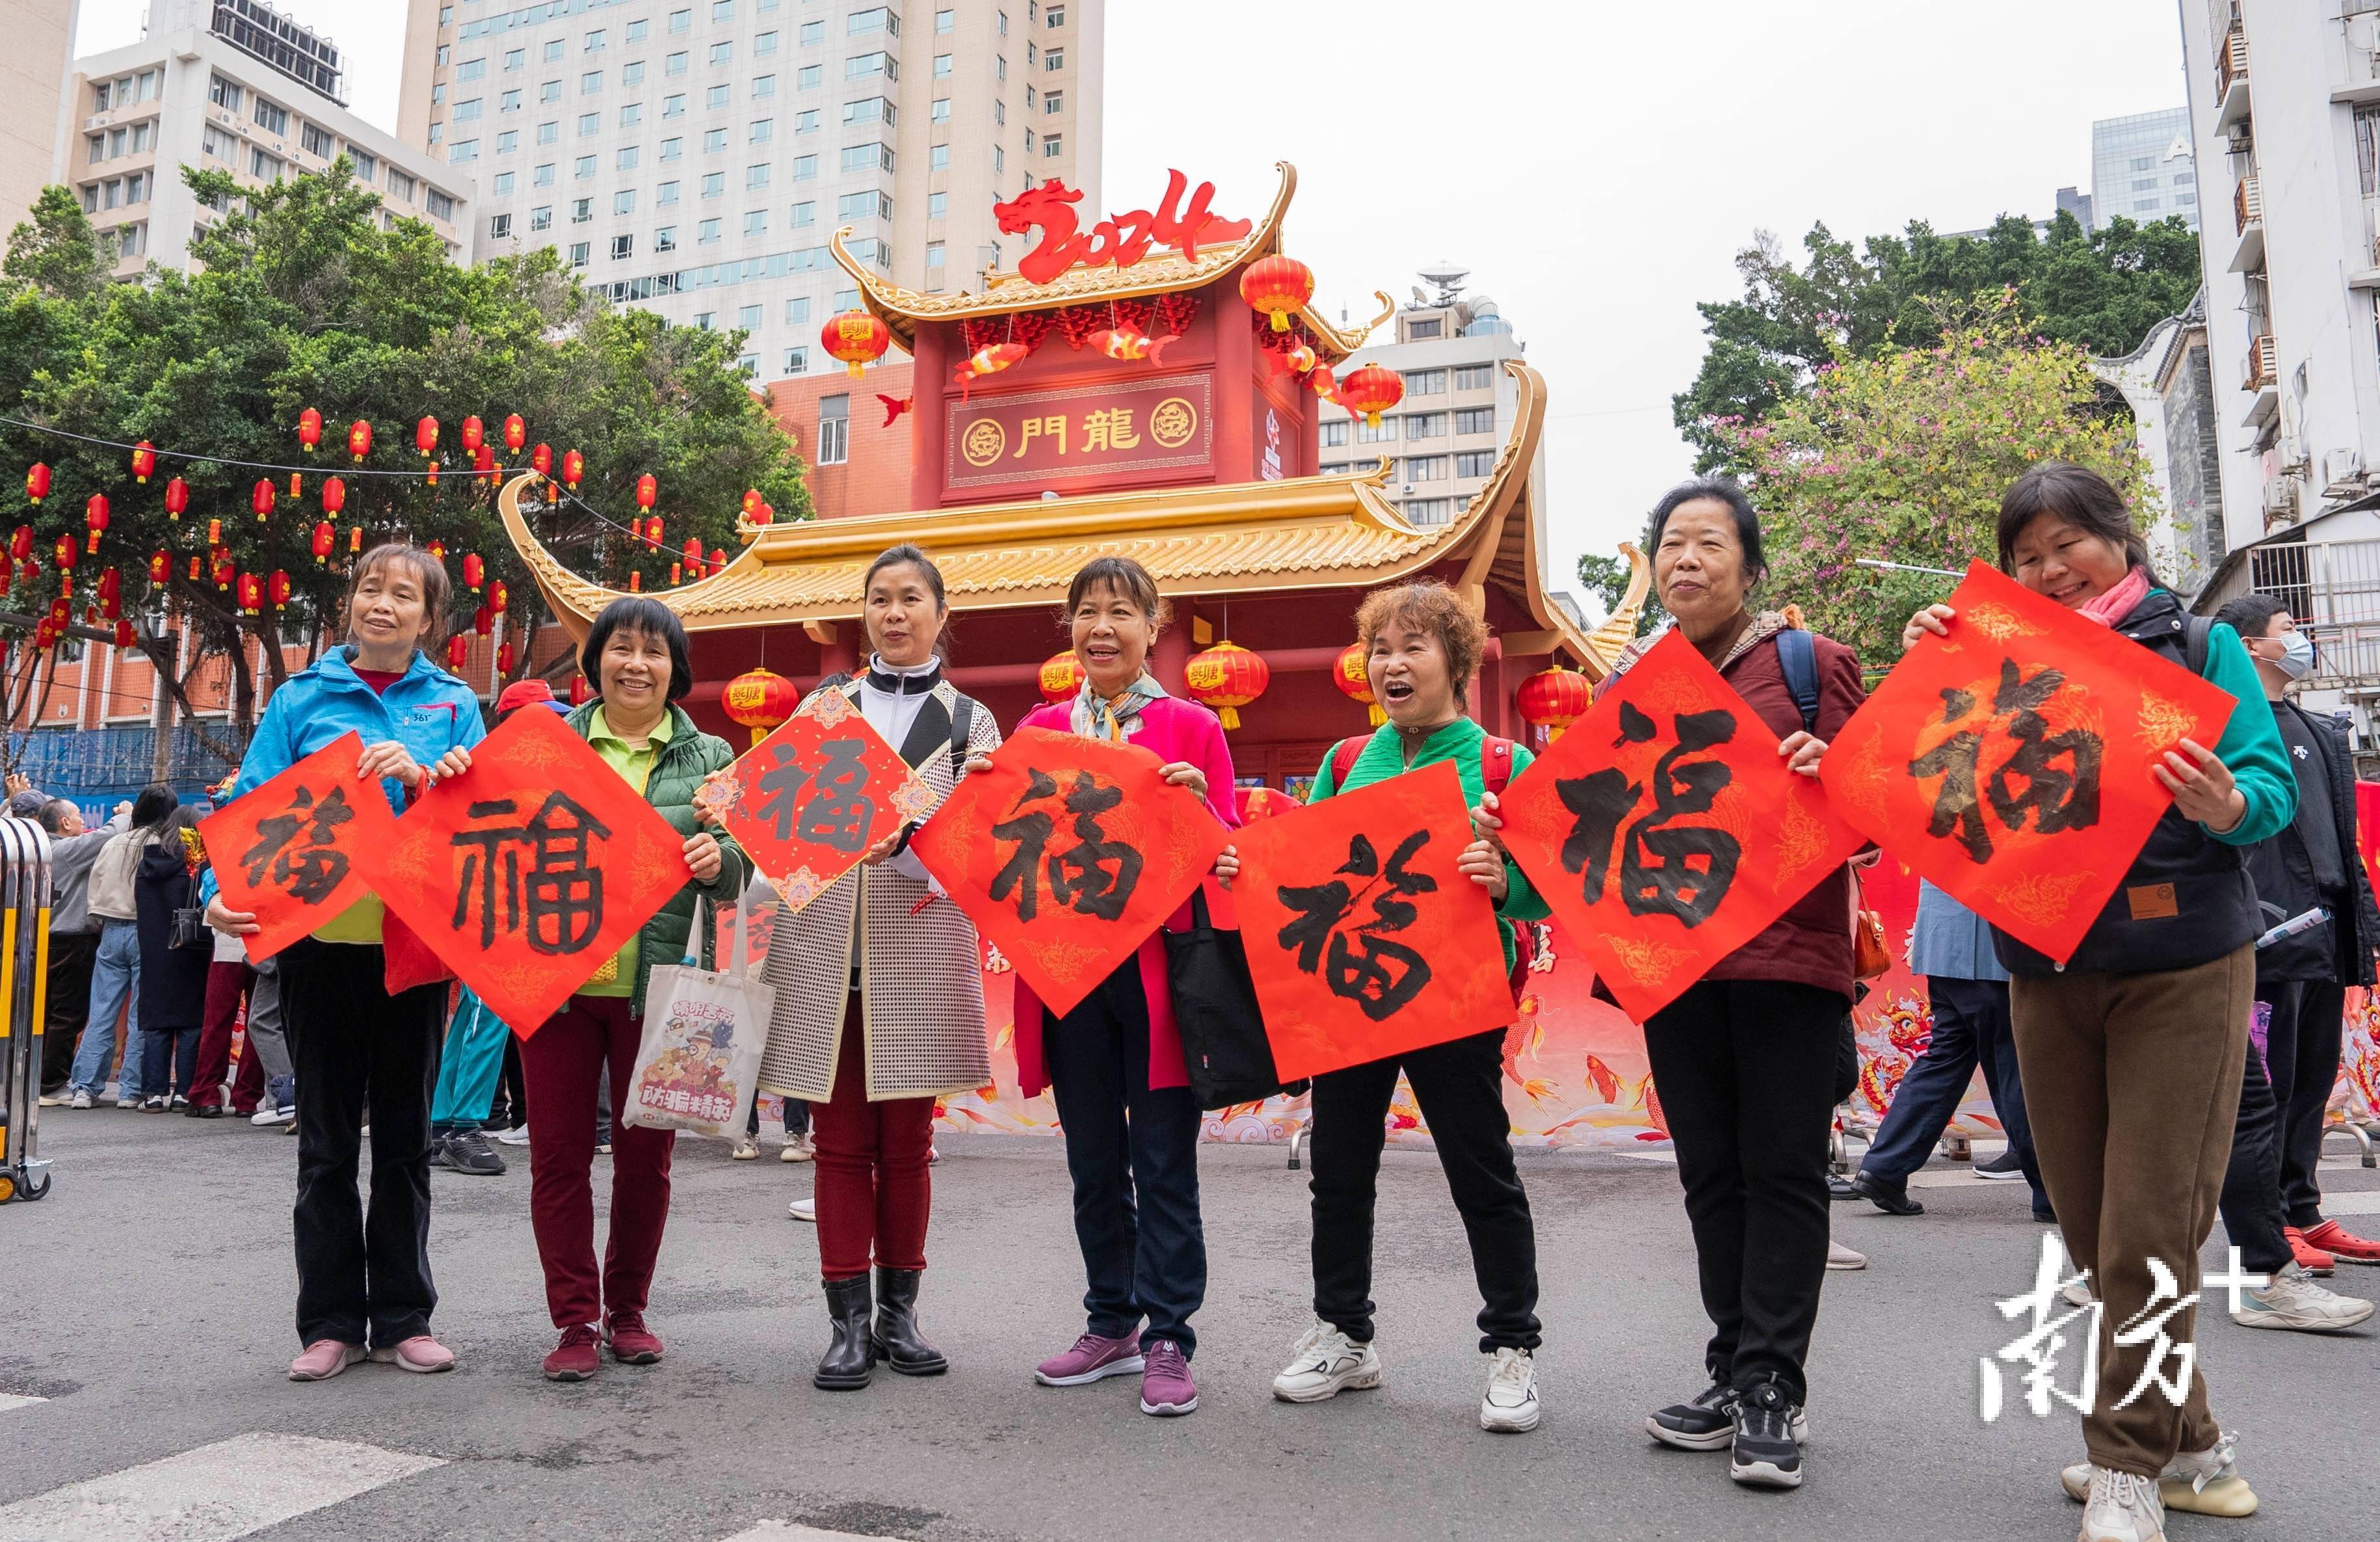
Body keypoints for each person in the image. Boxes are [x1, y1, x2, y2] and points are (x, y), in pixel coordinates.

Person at [1903, 462, 2295, 1540]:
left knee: (2150, 1233)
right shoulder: (2004, 661)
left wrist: (2228, 800)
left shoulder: (2204, 648)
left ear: (2118, 540)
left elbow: (2271, 790)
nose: (2047, 570)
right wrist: (1933, 667)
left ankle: (2126, 1469)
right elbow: (1935, 777)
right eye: (2024, 558)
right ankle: (2197, 1449)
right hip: (2043, 969)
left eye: (2064, 544)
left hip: (2184, 970)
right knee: (2093, 1234)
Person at [1217, 579, 1552, 1434]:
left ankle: (1511, 1345)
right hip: (1349, 996)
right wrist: (1244, 871)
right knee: (1340, 1169)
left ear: (1458, 661)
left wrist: (1504, 879)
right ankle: (1344, 1330)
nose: (1392, 665)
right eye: (1382, 649)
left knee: (1481, 1172)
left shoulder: (1507, 763)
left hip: (1457, 1001)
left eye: (1413, 647)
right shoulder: (1341, 762)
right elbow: (1305, 870)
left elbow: (1548, 891)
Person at [1611, 479, 1864, 1493]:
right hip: (1675, 967)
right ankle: (1732, 1366)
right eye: (1671, 543)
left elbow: (1875, 810)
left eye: (1709, 542)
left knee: (1784, 1172)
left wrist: (1830, 769)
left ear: (1750, 567)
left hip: (1788, 961)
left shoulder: (1809, 666)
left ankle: (1772, 1387)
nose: (1686, 560)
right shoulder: (1636, 683)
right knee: (1711, 1173)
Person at [205, 543, 485, 1381]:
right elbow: (255, 808)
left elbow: (474, 828)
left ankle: (404, 1315)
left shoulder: (455, 706)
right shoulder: (301, 699)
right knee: (325, 1144)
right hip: (322, 951)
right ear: (351, 603)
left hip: (413, 951)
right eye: (371, 588)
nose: (384, 604)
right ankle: (326, 1321)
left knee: (403, 1142)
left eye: (405, 595)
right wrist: (223, 896)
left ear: (431, 619)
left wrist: (424, 777)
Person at [756, 544, 1000, 1390]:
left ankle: (901, 1314)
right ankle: (847, 1323)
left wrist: (910, 848)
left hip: (918, 943)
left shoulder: (973, 721)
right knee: (838, 1143)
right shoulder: (825, 703)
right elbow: (777, 820)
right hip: (825, 942)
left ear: (940, 613)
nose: (894, 613)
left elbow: (982, 844)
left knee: (908, 1145)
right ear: (865, 613)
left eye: (910, 598)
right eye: (880, 599)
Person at [1002, 555, 1237, 1418]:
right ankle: (1112, 1319)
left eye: (1120, 612)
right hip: (1070, 975)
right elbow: (1005, 844)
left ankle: (1170, 1330)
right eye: (1087, 612)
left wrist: (1201, 802)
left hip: (1160, 978)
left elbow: (1231, 855)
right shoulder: (1037, 730)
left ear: (1153, 625)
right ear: (1069, 627)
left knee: (1163, 1155)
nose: (1102, 627)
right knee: (1093, 1154)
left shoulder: (1190, 727)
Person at [524, 595, 750, 1383]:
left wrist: (721, 865)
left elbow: (741, 866)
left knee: (643, 1159)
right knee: (556, 1158)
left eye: (654, 651)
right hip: (556, 981)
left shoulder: (712, 756)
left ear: (675, 668)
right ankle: (574, 1319)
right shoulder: (549, 744)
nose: (635, 663)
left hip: (660, 988)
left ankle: (628, 1310)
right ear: (597, 662)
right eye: (621, 647)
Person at [2202, 592, 2379, 1326]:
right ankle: (2267, 1222)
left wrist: (2361, 930)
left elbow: (2341, 839)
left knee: (2312, 1081)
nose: (2300, 640)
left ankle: (2303, 1210)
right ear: (2248, 649)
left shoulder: (2319, 728)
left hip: (2327, 930)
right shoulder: (2235, 732)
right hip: (2272, 933)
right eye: (2287, 631)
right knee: (2263, 1093)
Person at [1839, 881, 2051, 1223]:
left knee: (1944, 1061)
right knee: (2014, 1067)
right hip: (1995, 949)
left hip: (1943, 942)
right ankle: (2052, 1190)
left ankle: (1885, 1167)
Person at [425, 678, 570, 1178]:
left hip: (523, 911)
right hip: (491, 912)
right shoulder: (483, 771)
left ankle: (443, 1122)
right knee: (486, 1015)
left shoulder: (541, 773)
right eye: (543, 719)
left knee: (480, 1015)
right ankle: (461, 1125)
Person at [64, 784, 180, 1109]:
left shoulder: (114, 842)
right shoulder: (167, 846)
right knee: (141, 1015)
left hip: (111, 929)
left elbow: (96, 885)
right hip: (150, 933)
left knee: (101, 1012)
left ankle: (85, 1087)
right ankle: (130, 1090)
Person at [35, 797, 128, 1105]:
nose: (81, 822)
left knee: (44, 1014)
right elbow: (108, 836)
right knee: (67, 1015)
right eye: (77, 816)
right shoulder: (65, 850)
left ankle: (36, 1078)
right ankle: (51, 1084)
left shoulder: (35, 851)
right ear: (64, 823)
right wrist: (125, 815)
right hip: (71, 940)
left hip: (40, 939)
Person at [134, 804, 213, 1110]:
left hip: (153, 949)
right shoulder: (195, 862)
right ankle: (184, 1092)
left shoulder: (147, 862)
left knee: (157, 1022)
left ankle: (153, 1094)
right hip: (190, 946)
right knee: (191, 1022)